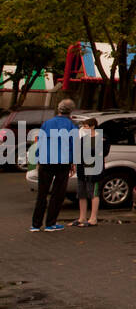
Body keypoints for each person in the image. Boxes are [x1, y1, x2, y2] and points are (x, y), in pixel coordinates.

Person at [31, 100, 78, 233]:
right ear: (71, 111)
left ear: (59, 109)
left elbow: (40, 141)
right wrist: (73, 162)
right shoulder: (72, 125)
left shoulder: (47, 123)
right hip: (62, 162)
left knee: (42, 193)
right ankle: (50, 223)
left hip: (46, 160)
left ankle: (35, 224)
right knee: (57, 193)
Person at [75, 117, 107, 227]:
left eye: (86, 126)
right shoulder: (83, 138)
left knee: (94, 192)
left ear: (93, 126)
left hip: (95, 169)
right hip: (82, 169)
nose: (84, 128)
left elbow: (102, 152)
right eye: (83, 126)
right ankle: (82, 217)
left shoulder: (102, 138)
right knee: (81, 193)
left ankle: (93, 218)